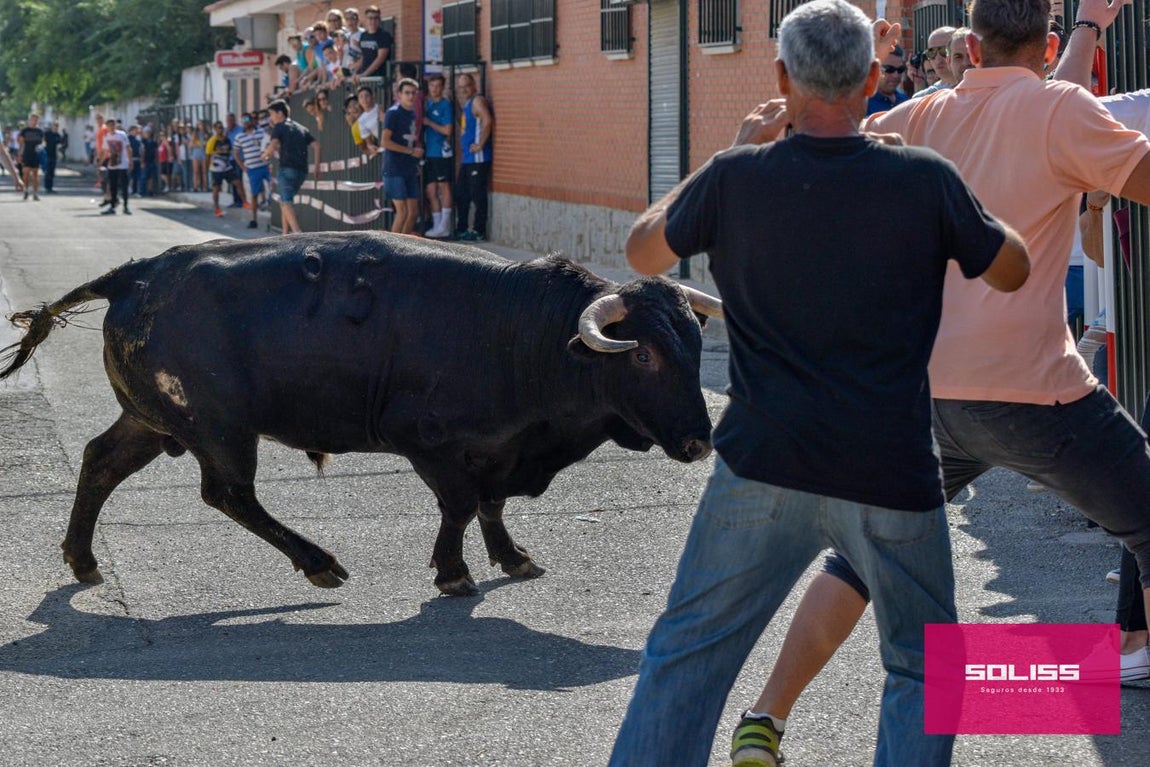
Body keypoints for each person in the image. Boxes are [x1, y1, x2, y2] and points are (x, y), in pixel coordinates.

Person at [606, 3, 1030, 766]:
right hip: (890, 467)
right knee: (923, 664)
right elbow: (1014, 267)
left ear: (781, 77)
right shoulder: (922, 179)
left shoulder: (737, 178)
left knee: (688, 653)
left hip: (761, 462)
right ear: (873, 79)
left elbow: (641, 251)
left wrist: (729, 153)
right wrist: (946, 192)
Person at [735, 0, 1150, 761]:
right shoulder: (1061, 111)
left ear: (970, 42)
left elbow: (828, 139)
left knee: (855, 558)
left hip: (931, 396)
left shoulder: (926, 114)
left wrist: (844, 80)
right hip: (1035, 393)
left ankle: (766, 715)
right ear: (1048, 40)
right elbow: (1074, 130)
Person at [262, 99, 320, 235]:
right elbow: (317, 145)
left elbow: (273, 145)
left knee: (286, 201)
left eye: (271, 114)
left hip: (287, 169)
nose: (271, 118)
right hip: (301, 172)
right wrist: (317, 167)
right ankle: (285, 234)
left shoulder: (279, 127)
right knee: (285, 202)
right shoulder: (301, 128)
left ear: (280, 113)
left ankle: (297, 234)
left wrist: (265, 155)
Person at [382, 77, 424, 234]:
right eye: (407, 93)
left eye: (413, 93)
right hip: (394, 168)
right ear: (399, 94)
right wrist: (411, 152)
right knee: (402, 212)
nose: (411, 96)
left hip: (409, 167)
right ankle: (393, 250)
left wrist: (415, 155)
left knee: (413, 212)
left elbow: (410, 139)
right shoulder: (393, 113)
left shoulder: (412, 113)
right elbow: (385, 142)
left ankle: (403, 248)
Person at [454, 73, 493, 241]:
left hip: (478, 158)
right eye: (460, 87)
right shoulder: (467, 103)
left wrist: (480, 144)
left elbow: (488, 121)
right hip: (467, 159)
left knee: (477, 195)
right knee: (461, 193)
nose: (464, 90)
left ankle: (479, 231)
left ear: (474, 85)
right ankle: (462, 228)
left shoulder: (478, 101)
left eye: (466, 86)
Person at [423, 73, 454, 238]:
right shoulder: (426, 104)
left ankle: (445, 225)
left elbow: (447, 130)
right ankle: (437, 226)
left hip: (441, 152)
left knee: (444, 187)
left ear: (442, 88)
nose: (434, 89)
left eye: (438, 86)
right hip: (428, 153)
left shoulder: (445, 105)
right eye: (432, 86)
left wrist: (430, 123)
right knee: (431, 190)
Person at [233, 114, 270, 229]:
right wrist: (243, 167)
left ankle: (275, 219)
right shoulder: (239, 137)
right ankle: (254, 220)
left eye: (247, 119)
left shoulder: (261, 132)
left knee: (274, 190)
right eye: (243, 119)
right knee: (254, 194)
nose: (245, 121)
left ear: (251, 120)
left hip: (266, 166)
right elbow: (236, 153)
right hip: (252, 169)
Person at [205, 120, 244, 217]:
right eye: (218, 127)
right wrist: (207, 169)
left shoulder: (227, 139)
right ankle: (217, 208)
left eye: (222, 127)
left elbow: (230, 151)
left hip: (227, 166)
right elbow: (208, 155)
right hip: (216, 168)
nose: (220, 129)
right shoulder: (212, 140)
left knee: (238, 182)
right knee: (216, 188)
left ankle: (244, 202)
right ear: (215, 129)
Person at [911, 26, 959, 99]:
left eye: (944, 51)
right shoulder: (922, 98)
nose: (938, 59)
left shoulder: (977, 89)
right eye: (932, 52)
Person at [100, 118, 131, 216]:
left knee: (124, 186)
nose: (111, 127)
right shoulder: (107, 137)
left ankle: (126, 206)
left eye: (113, 125)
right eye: (109, 125)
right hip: (112, 164)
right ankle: (112, 206)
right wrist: (101, 162)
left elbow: (128, 147)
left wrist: (130, 161)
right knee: (113, 186)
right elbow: (105, 151)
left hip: (122, 164)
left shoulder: (122, 135)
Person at [866, 45, 909, 115]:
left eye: (900, 69)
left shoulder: (905, 101)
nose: (896, 75)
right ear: (875, 69)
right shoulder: (863, 104)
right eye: (889, 69)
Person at [357, 6, 393, 80]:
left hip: (379, 77)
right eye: (370, 18)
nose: (373, 21)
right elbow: (363, 56)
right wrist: (356, 73)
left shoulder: (384, 35)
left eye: (376, 18)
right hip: (365, 77)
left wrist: (365, 74)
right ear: (365, 20)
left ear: (379, 19)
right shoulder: (363, 35)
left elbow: (380, 58)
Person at [17, 113, 45, 201]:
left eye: (36, 120)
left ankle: (35, 193)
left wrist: (42, 146)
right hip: (26, 153)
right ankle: (26, 190)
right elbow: (21, 144)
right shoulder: (25, 131)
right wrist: (20, 155)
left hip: (36, 154)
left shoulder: (40, 131)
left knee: (36, 175)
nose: (34, 121)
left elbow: (44, 142)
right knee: (26, 174)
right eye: (33, 119)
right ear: (30, 120)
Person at [41, 121, 61, 194]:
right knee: (47, 171)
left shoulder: (57, 135)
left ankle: (50, 187)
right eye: (54, 126)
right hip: (47, 154)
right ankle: (47, 187)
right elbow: (42, 141)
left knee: (52, 172)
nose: (55, 127)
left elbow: (60, 143)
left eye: (57, 126)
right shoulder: (47, 134)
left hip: (54, 155)